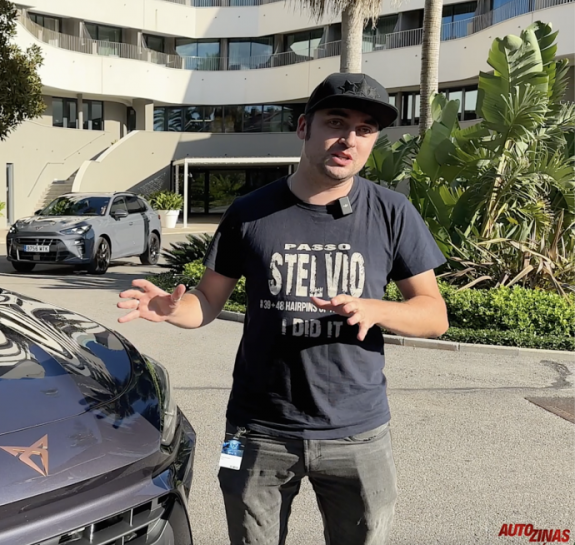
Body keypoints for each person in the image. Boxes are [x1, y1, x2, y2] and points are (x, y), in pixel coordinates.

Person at [117, 73, 449, 545]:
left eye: (365, 129)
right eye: (336, 122)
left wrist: (375, 309)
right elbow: (207, 300)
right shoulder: (248, 212)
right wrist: (172, 309)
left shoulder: (393, 212)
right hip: (252, 430)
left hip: (360, 431)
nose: (349, 139)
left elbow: (434, 315)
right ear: (303, 127)